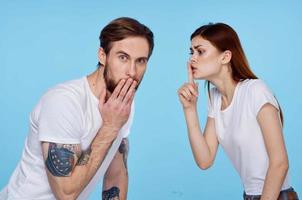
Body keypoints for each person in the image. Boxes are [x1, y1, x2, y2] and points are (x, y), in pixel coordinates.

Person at [0, 17, 154, 200]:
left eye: (141, 61)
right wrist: (110, 127)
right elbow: (65, 193)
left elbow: (115, 176)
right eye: (123, 57)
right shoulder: (64, 102)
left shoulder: (122, 103)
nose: (132, 71)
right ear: (102, 56)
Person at [178, 23, 299, 200]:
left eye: (200, 51)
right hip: (249, 195)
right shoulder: (215, 97)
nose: (192, 59)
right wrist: (189, 109)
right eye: (191, 52)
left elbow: (280, 163)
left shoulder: (255, 90)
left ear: (225, 57)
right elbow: (205, 160)